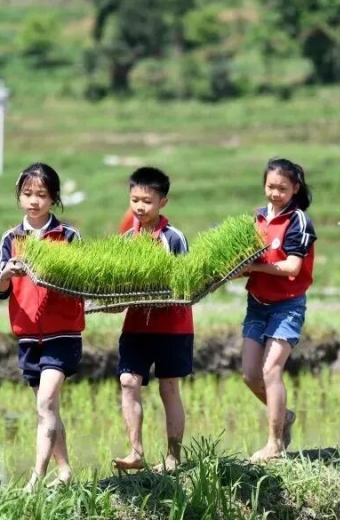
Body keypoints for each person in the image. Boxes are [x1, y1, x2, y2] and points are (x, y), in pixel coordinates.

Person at [0, 163, 85, 490]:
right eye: (27, 194)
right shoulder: (11, 239)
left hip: (63, 333)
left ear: (54, 198)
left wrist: (57, 275)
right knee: (49, 408)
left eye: (41, 195)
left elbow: (84, 282)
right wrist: (7, 275)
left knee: (44, 404)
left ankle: (35, 479)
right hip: (28, 335)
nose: (34, 200)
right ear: (19, 197)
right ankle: (65, 471)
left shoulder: (68, 237)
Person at [112, 166, 195, 473]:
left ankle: (173, 457)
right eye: (134, 199)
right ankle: (136, 452)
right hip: (136, 326)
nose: (140, 207)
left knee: (168, 388)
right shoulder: (125, 242)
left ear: (163, 202)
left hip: (173, 328)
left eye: (147, 200)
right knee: (128, 381)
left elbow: (185, 283)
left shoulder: (173, 239)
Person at [240, 158, 316, 462]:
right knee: (249, 375)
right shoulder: (256, 219)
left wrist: (255, 266)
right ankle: (285, 416)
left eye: (282, 188)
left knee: (271, 371)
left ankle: (274, 443)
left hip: (288, 306)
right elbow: (243, 261)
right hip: (256, 305)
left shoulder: (298, 221)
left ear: (295, 189)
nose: (275, 193)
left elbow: (291, 267)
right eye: (271, 186)